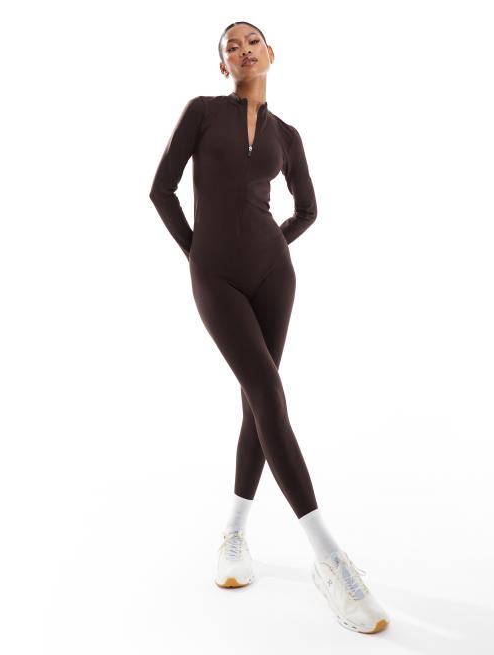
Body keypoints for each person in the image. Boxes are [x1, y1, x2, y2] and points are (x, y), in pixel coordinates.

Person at [149, 20, 390, 634]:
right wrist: (198, 255)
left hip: (274, 275)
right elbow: (160, 190)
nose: (243, 50)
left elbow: (308, 209)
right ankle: (329, 557)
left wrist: (275, 244)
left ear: (271, 53)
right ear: (223, 65)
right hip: (216, 277)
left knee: (258, 402)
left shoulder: (288, 135)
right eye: (231, 46)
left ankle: (233, 532)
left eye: (251, 41)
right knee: (268, 394)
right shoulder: (202, 112)